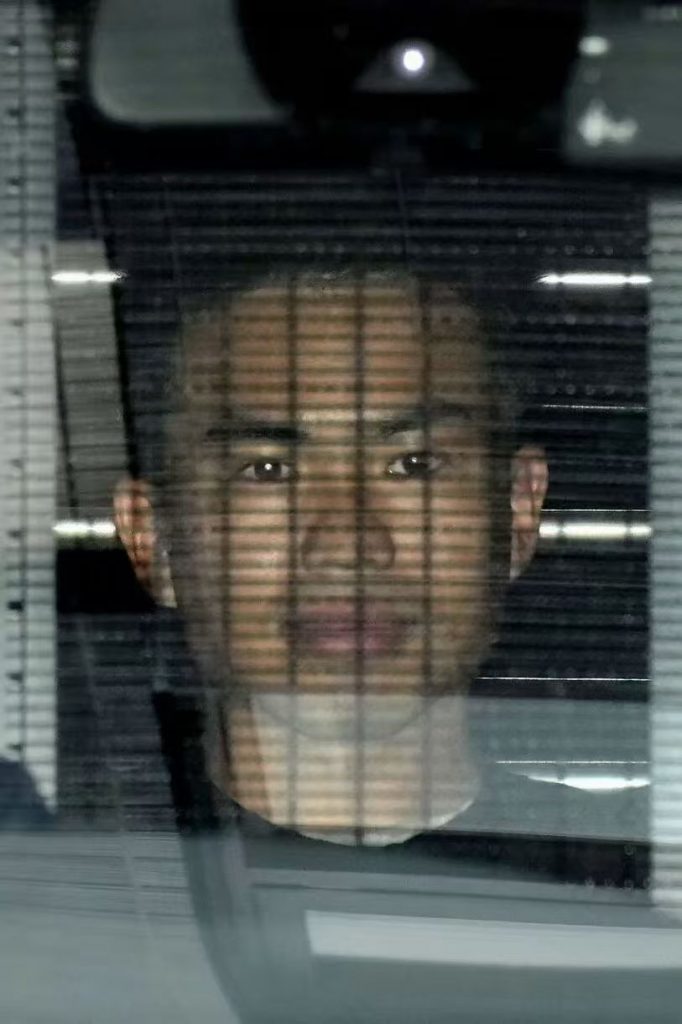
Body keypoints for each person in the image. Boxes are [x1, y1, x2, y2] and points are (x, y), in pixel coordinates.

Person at [112, 264, 645, 856]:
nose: (349, 545)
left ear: (518, 510)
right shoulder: (64, 884)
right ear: (153, 539)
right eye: (267, 470)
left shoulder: (645, 888)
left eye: (414, 465)